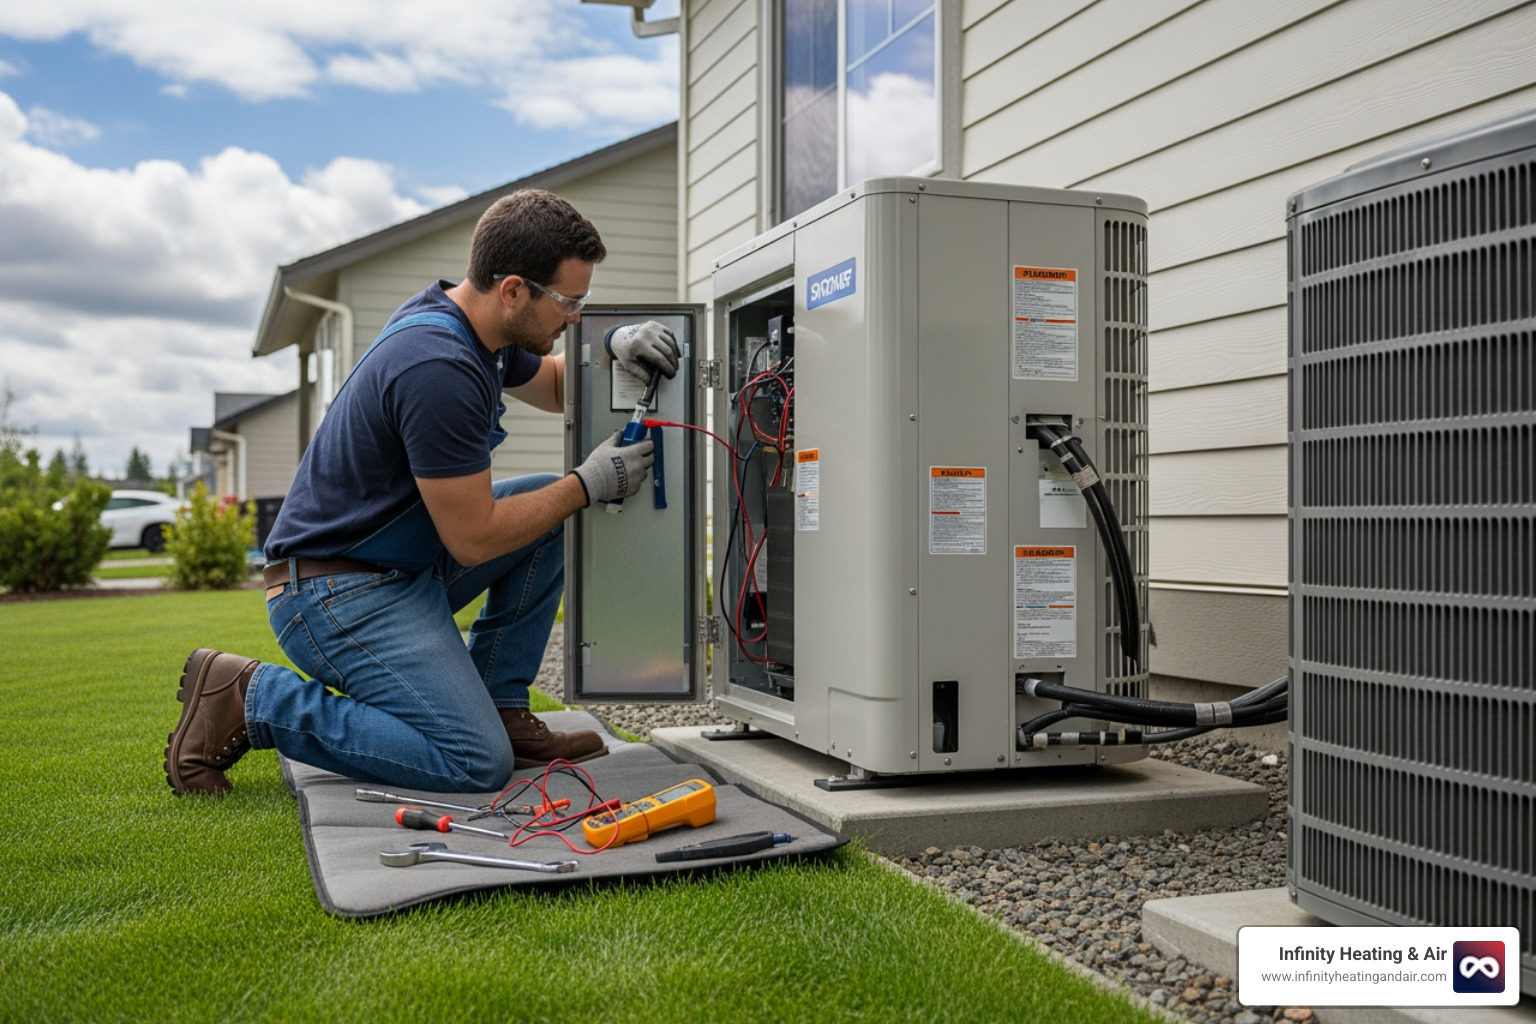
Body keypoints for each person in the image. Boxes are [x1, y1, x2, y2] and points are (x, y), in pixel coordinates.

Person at [163, 189, 680, 796]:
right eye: (569, 302)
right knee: (471, 762)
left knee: (548, 510)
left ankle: (502, 709)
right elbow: (473, 538)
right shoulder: (437, 365)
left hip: (394, 568)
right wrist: (589, 484)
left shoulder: (478, 332)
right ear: (512, 289)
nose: (573, 317)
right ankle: (253, 697)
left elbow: (561, 386)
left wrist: (613, 344)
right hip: (335, 593)